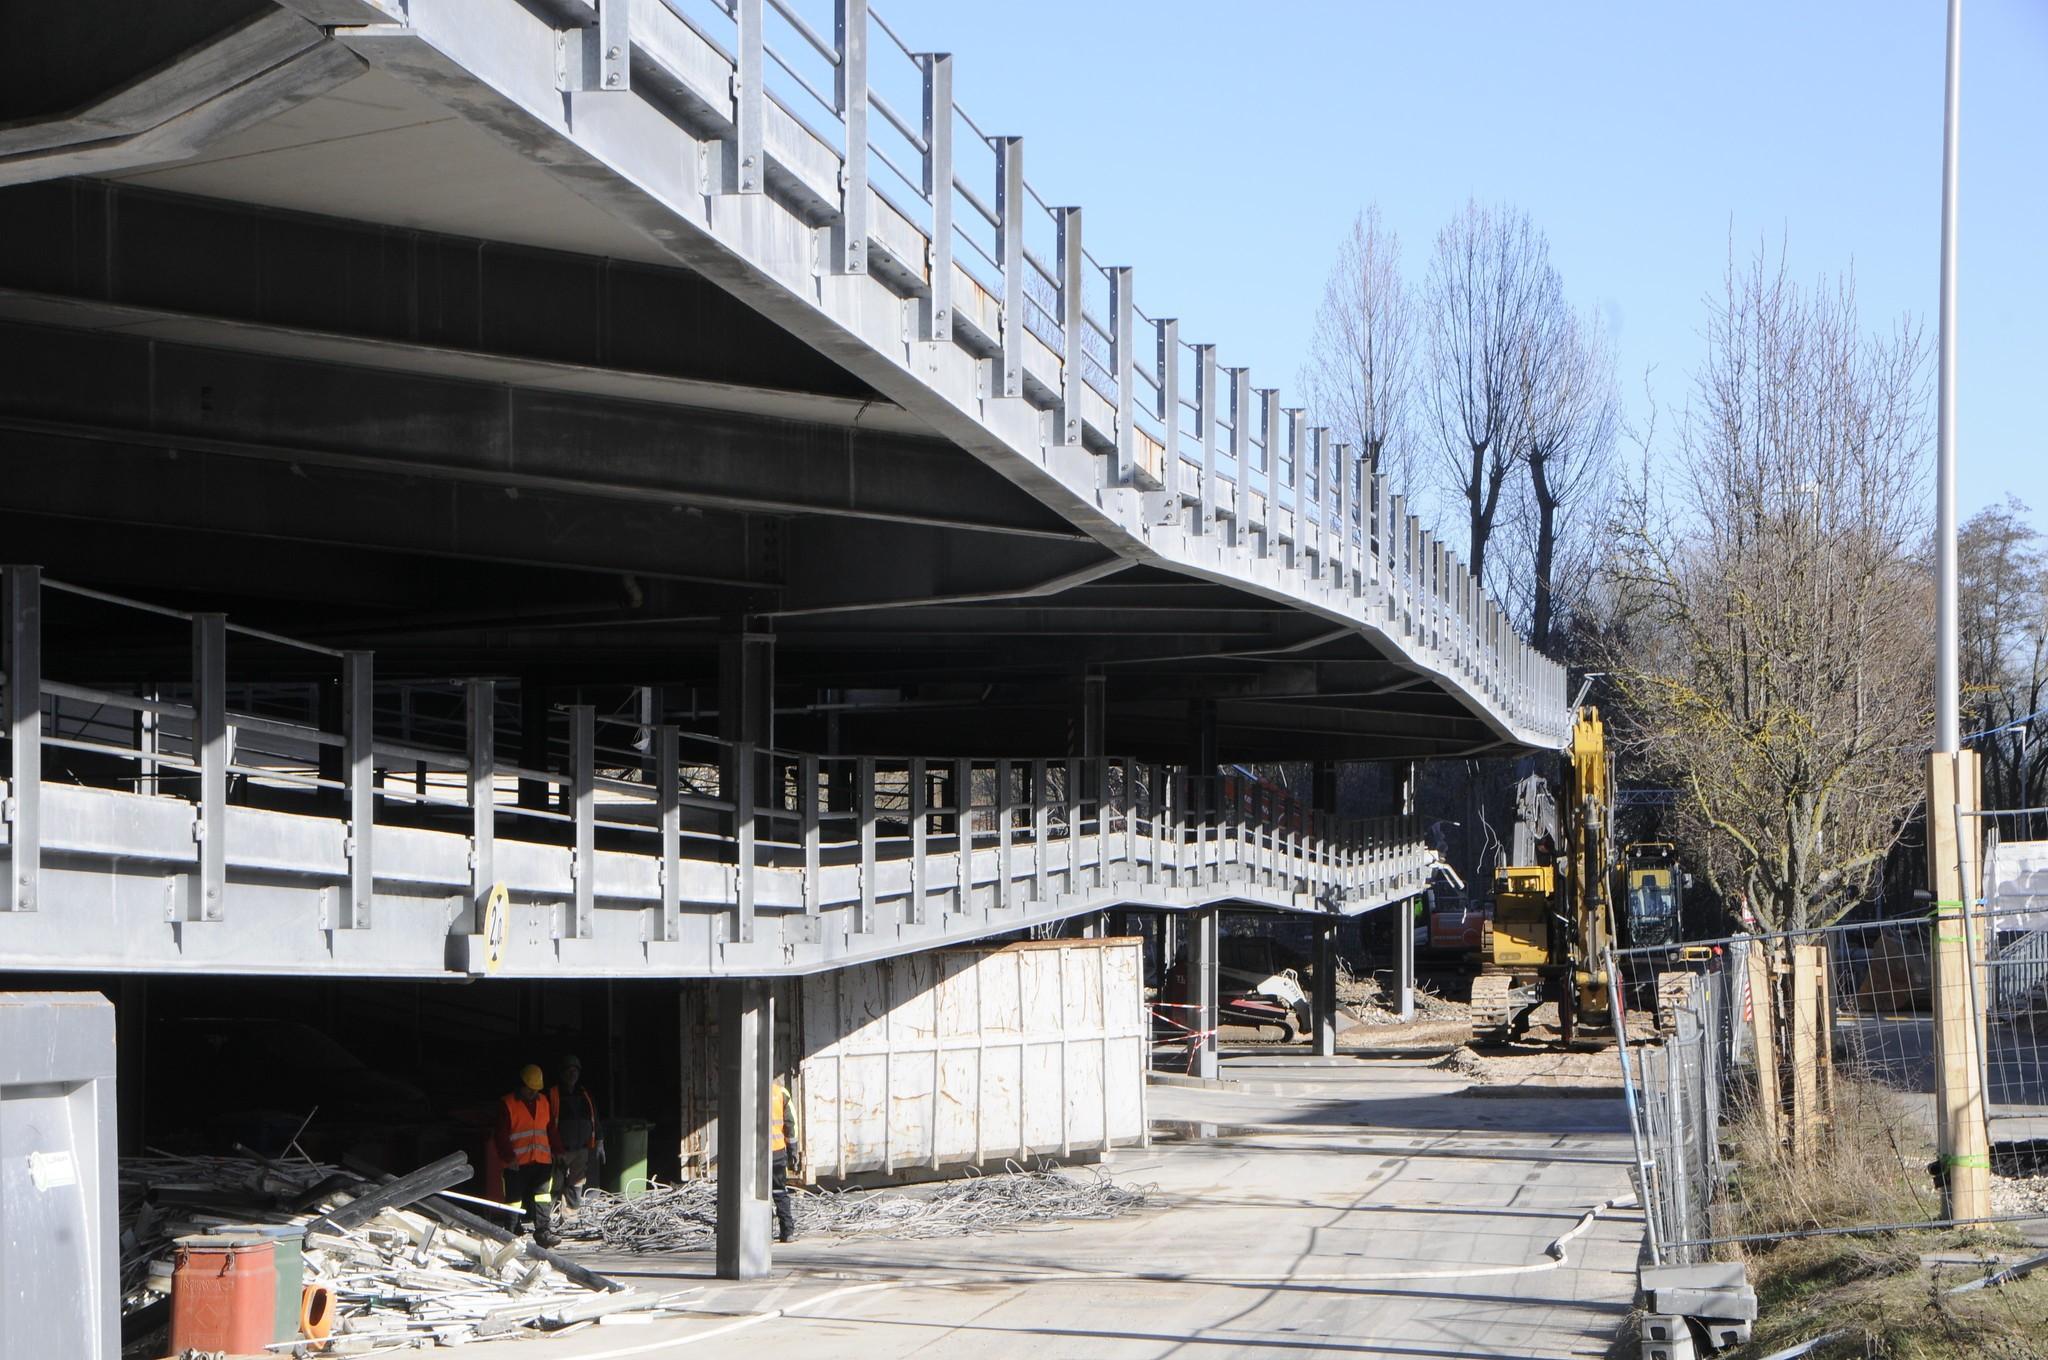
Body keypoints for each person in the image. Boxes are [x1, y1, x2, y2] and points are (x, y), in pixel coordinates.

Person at [496, 1064, 559, 1247]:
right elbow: (501, 1134)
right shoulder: (507, 1104)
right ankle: (511, 1232)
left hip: (542, 1160)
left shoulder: (544, 1101)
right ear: (521, 1085)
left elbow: (551, 1130)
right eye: (530, 1090)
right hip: (517, 1163)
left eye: (536, 1090)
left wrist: (558, 1151)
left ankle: (543, 1233)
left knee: (543, 1196)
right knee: (514, 1199)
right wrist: (509, 1157)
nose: (533, 1093)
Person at [549, 1055, 602, 1211]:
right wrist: (554, 1148)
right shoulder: (553, 1094)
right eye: (569, 1071)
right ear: (562, 1073)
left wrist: (600, 1141)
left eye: (575, 1071)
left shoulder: (584, 1094)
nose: (572, 1075)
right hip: (560, 1149)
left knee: (576, 1185)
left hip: (580, 1149)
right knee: (555, 1184)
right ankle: (548, 1219)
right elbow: (547, 1124)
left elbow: (594, 1118)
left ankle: (570, 1219)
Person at [771, 1077, 802, 1243]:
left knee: (758, 1195)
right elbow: (791, 1124)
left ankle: (762, 1233)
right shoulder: (781, 1093)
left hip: (755, 1154)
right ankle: (787, 1232)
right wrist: (793, 1151)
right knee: (780, 1191)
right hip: (777, 1151)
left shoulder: (748, 1092)